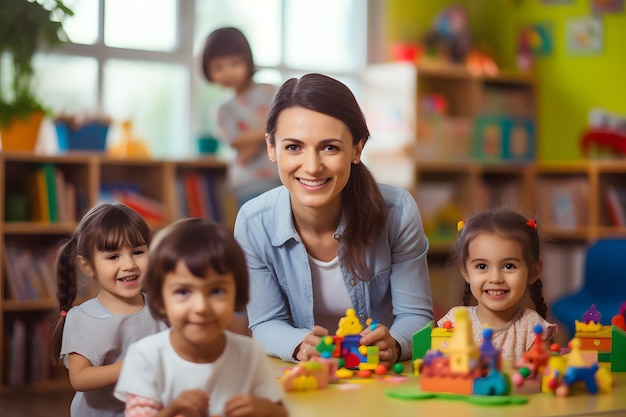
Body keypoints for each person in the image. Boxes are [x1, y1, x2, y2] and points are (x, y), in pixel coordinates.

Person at [234, 73, 434, 368]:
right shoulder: (253, 223)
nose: (312, 167)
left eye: (330, 147)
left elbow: (417, 316)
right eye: (293, 147)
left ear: (357, 148)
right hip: (304, 375)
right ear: (271, 148)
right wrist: (299, 344)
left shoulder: (397, 211)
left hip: (379, 376)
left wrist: (394, 343)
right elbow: (265, 322)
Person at [114, 218, 287, 417]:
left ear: (237, 294)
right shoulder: (146, 357)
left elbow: (280, 411)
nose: (201, 307)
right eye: (183, 292)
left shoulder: (250, 354)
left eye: (216, 291)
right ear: (161, 301)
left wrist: (267, 410)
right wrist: (172, 410)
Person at [51, 203, 168, 417]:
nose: (129, 264)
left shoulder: (160, 307)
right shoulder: (82, 318)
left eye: (138, 252)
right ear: (87, 266)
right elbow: (79, 378)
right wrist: (131, 365)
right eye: (113, 256)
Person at [437, 208, 558, 361]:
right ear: (465, 272)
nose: (495, 278)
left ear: (533, 272)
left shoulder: (534, 329)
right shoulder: (454, 322)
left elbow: (540, 375)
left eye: (509, 266)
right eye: (482, 266)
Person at [201, 26, 281, 207]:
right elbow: (235, 141)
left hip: (281, 177)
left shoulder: (271, 91)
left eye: (234, 64)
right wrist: (269, 130)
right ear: (208, 70)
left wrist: (251, 144)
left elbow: (287, 122)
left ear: (248, 61)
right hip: (247, 183)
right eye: (218, 67)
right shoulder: (222, 110)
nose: (227, 72)